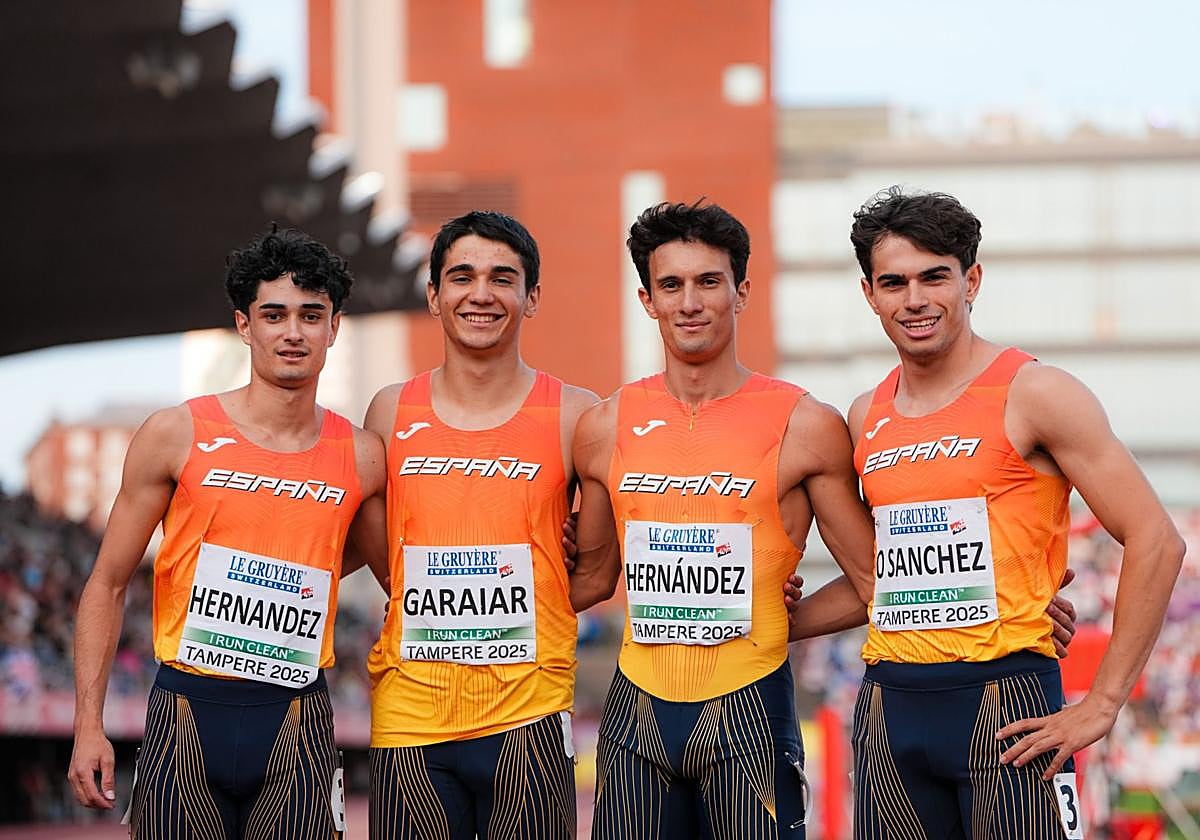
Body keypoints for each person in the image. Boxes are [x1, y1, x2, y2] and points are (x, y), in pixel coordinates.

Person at [845, 187, 1185, 839]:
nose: (913, 299)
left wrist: (1105, 702)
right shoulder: (866, 415)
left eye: (933, 277)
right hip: (889, 710)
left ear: (971, 280)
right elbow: (878, 580)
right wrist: (764, 617)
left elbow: (1156, 539)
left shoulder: (1036, 392)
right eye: (893, 282)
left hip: (1007, 708)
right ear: (870, 294)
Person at [568, 200, 879, 840]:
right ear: (647, 299)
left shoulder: (806, 424)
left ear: (740, 291)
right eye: (671, 285)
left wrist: (784, 620)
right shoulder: (603, 426)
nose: (690, 302)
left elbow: (882, 581)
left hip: (752, 708)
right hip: (637, 715)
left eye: (708, 282)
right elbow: (591, 578)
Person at [67, 227, 385, 839]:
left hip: (296, 719)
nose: (293, 332)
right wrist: (88, 724)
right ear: (244, 325)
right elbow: (106, 584)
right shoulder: (175, 433)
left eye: (311, 315)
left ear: (334, 327)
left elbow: (389, 567)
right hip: (186, 709)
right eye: (274, 315)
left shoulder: (363, 456)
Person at [361, 211, 598, 839]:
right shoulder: (390, 410)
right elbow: (387, 558)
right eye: (461, 276)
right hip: (411, 718)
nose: (481, 293)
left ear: (532, 296)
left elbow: (611, 558)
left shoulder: (577, 415)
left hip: (531, 715)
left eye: (503, 277)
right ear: (434, 296)